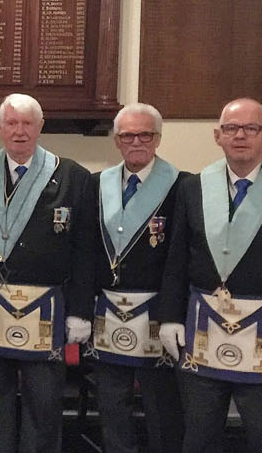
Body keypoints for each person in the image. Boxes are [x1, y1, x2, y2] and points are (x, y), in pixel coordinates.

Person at [157, 98, 262, 453]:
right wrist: (170, 317)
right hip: (204, 330)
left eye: (251, 128)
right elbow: (176, 260)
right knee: (199, 433)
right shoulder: (194, 187)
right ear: (217, 136)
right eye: (232, 128)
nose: (240, 136)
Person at [0, 93, 95, 453]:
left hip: (48, 311)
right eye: (11, 123)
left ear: (40, 127)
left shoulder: (73, 176)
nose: (19, 131)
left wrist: (80, 310)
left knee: (43, 406)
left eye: (27, 123)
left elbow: (85, 249)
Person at [81, 103, 186, 453]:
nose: (136, 141)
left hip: (157, 311)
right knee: (112, 404)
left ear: (158, 138)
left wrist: (174, 314)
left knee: (162, 407)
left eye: (145, 134)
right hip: (107, 309)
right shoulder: (97, 184)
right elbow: (87, 249)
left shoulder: (183, 186)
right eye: (127, 135)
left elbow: (181, 258)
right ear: (116, 140)